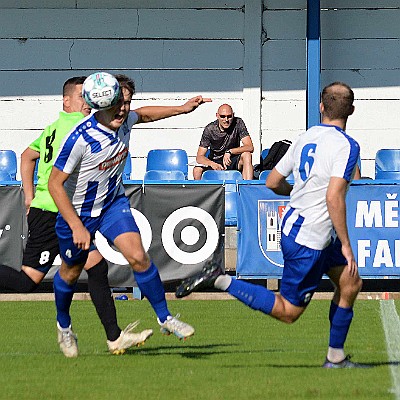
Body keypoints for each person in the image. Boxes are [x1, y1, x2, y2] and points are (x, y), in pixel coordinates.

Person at [176, 82, 369, 368]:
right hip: (310, 238)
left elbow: (272, 182)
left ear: (321, 107)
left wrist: (298, 194)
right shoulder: (348, 145)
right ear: (351, 110)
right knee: (288, 311)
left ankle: (336, 357)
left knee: (350, 283)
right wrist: (347, 245)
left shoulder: (306, 137)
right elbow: (334, 197)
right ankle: (220, 278)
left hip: (300, 226)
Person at [48, 73, 211, 357]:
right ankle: (64, 325)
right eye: (117, 103)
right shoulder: (80, 138)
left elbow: (144, 114)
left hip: (112, 204)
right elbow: (54, 184)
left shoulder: (125, 121)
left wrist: (182, 108)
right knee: (71, 273)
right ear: (101, 104)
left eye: (127, 102)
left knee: (138, 255)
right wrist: (76, 225)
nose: (123, 109)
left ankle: (165, 317)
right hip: (79, 214)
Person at [0, 76, 152, 357]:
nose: (90, 101)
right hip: (55, 213)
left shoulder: (52, 128)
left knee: (96, 267)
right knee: (28, 281)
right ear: (67, 101)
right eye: (83, 96)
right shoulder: (80, 127)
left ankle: (114, 337)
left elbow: (26, 155)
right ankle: (109, 336)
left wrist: (29, 195)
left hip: (56, 209)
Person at [193, 104, 254, 180]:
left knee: (247, 155)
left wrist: (230, 152)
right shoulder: (210, 129)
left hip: (232, 159)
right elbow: (199, 157)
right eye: (222, 116)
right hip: (215, 160)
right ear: (217, 116)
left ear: (233, 115)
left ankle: (247, 188)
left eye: (229, 116)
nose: (226, 120)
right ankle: (201, 192)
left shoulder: (238, 123)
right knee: (197, 170)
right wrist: (212, 164)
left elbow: (250, 147)